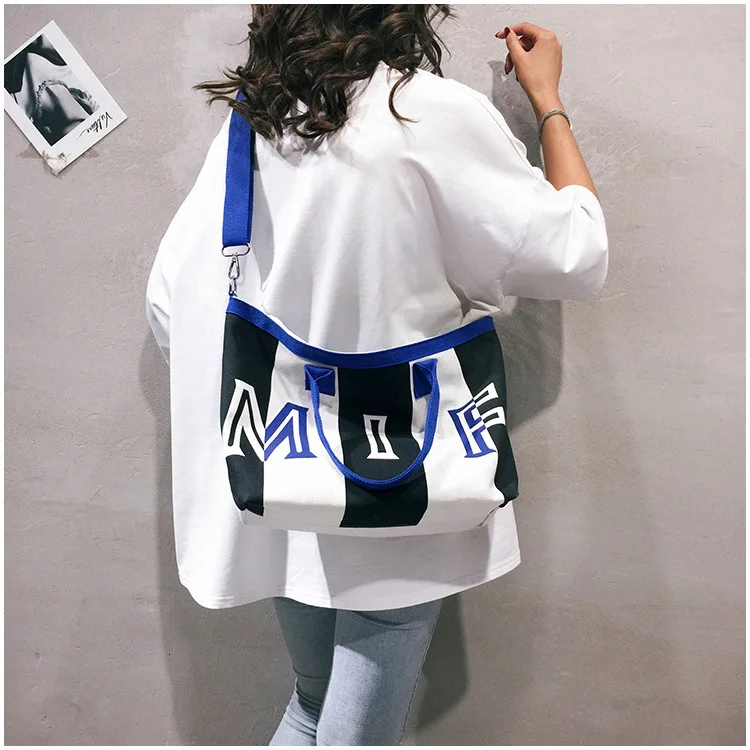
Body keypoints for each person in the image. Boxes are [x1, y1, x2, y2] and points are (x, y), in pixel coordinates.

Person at [145, 6, 607, 746]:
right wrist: (548, 102)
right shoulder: (426, 112)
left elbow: (172, 300)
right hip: (398, 480)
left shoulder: (258, 120)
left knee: (313, 704)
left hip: (278, 476)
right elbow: (575, 255)